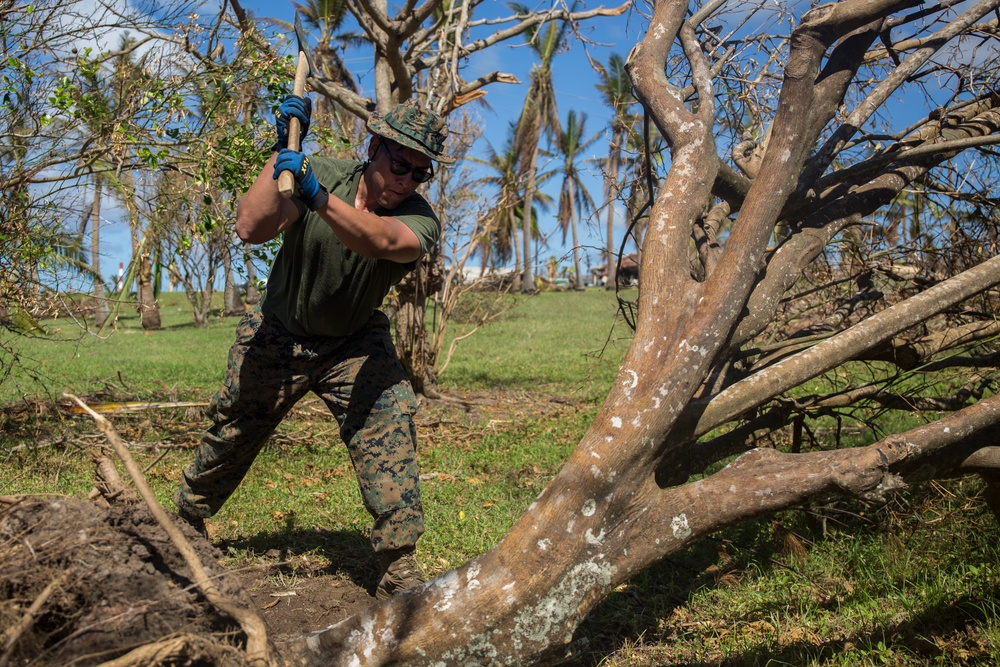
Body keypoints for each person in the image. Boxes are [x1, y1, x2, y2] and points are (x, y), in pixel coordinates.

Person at [174, 94, 453, 600]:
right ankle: (188, 520)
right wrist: (280, 151)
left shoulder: (420, 219)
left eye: (420, 173)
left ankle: (397, 562)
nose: (406, 180)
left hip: (353, 343)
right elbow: (250, 228)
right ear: (374, 149)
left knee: (386, 427)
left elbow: (382, 243)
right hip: (279, 330)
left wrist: (316, 196)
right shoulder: (320, 170)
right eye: (399, 165)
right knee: (234, 427)